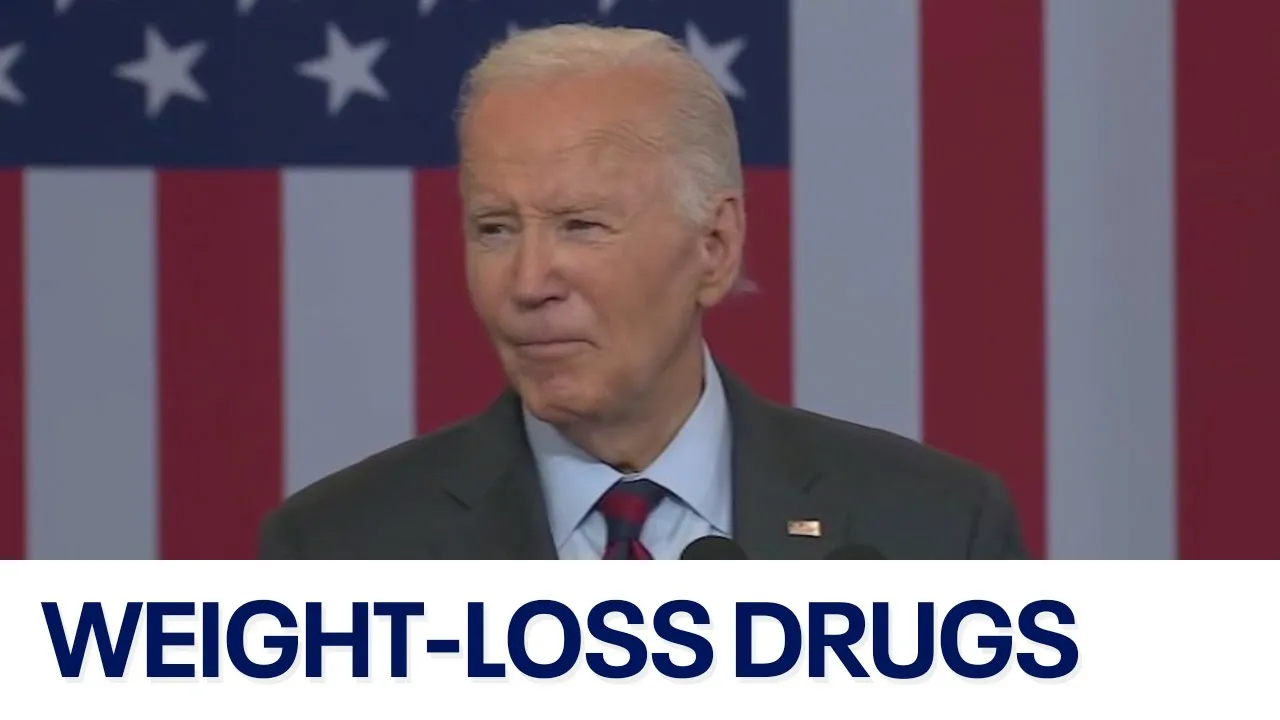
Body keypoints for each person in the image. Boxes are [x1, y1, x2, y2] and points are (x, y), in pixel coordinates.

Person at [258, 23, 1027, 560]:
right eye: (495, 229)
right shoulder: (339, 551)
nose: (528, 282)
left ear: (714, 246)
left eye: (581, 226)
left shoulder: (932, 533)